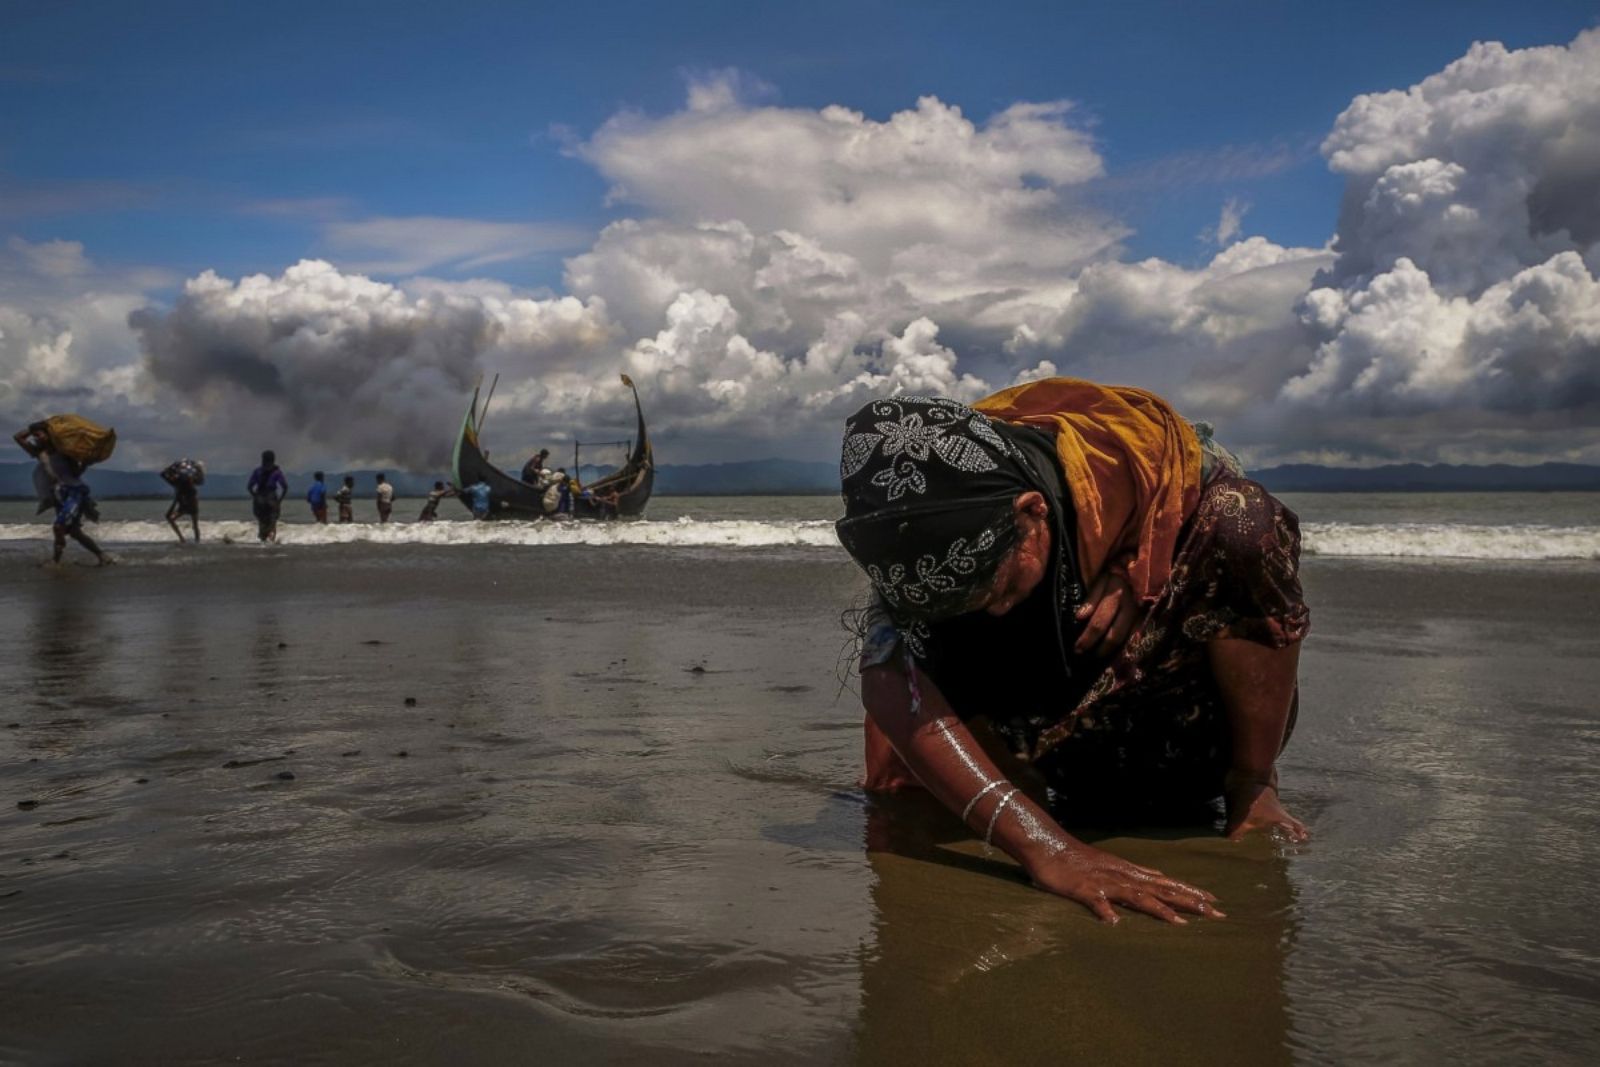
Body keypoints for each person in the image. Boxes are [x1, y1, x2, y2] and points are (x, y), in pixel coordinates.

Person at [835, 379, 1309, 925]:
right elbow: (890, 678)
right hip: (1052, 759)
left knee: (1241, 519)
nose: (990, 614)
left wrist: (1142, 562)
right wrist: (1047, 847)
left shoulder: (1147, 463)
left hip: (1186, 729)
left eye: (997, 588)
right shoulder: (922, 528)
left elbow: (1229, 526)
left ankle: (1252, 785)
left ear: (1032, 512)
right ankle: (1023, 790)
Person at [13, 421, 110, 565]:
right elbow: (18, 437)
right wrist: (33, 427)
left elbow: (76, 473)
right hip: (59, 494)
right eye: (35, 436)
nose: (37, 438)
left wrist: (84, 464)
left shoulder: (64, 452)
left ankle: (55, 561)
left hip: (75, 492)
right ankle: (103, 556)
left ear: (49, 434)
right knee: (74, 532)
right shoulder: (40, 453)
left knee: (59, 527)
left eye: (39, 434)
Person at [247, 450, 288, 543]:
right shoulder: (276, 472)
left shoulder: (257, 471)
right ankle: (271, 543)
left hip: (259, 499)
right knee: (272, 522)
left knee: (262, 522)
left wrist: (255, 496)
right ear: (273, 459)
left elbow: (249, 487)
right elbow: (285, 487)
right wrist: (280, 501)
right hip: (271, 498)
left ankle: (263, 544)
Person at [161, 458, 205, 543]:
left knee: (172, 519)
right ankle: (194, 540)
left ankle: (184, 539)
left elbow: (163, 474)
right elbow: (200, 482)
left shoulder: (177, 483)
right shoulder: (187, 483)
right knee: (195, 525)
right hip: (188, 505)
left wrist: (168, 469)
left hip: (187, 505)